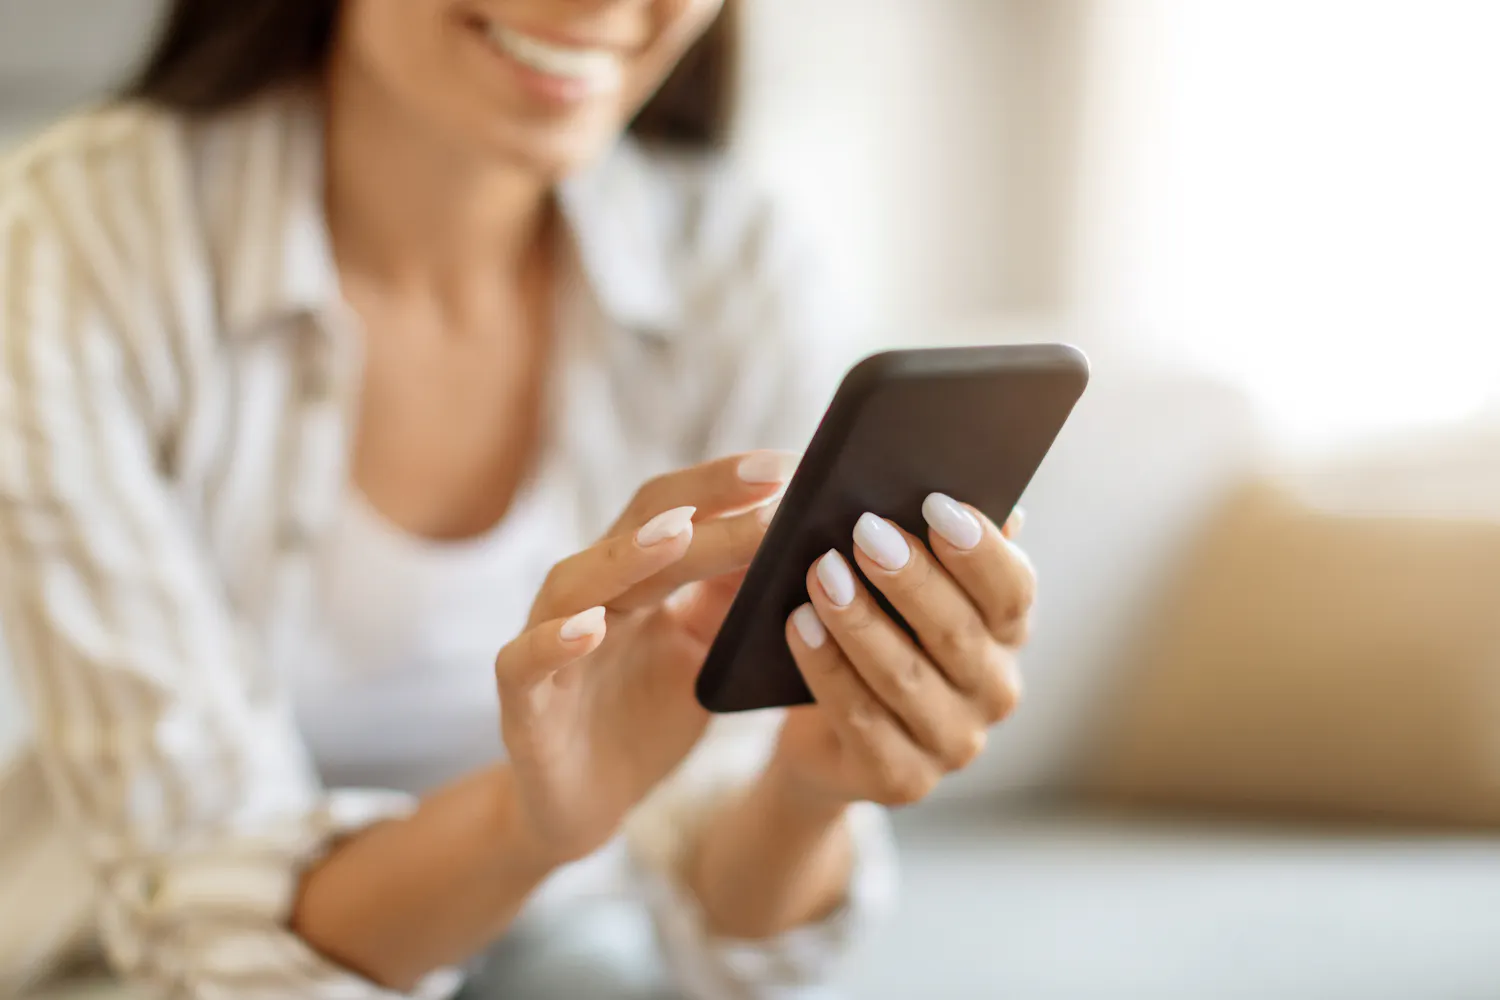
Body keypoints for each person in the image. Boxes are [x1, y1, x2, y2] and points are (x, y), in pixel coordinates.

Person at [0, 1, 1037, 997]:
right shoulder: (77, 244)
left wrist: (806, 792)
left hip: (575, 943)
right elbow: (200, 925)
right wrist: (529, 824)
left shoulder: (737, 262)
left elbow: (726, 935)